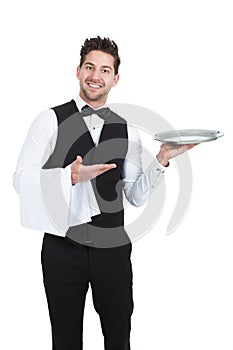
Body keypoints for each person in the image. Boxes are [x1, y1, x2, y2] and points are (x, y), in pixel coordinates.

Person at [13, 36, 196, 350]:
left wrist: (161, 158)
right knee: (65, 338)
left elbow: (135, 196)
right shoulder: (49, 120)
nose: (96, 75)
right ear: (78, 71)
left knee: (118, 336)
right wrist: (68, 175)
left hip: (112, 247)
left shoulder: (128, 129)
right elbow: (20, 180)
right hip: (61, 247)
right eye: (90, 67)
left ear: (115, 78)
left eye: (105, 70)